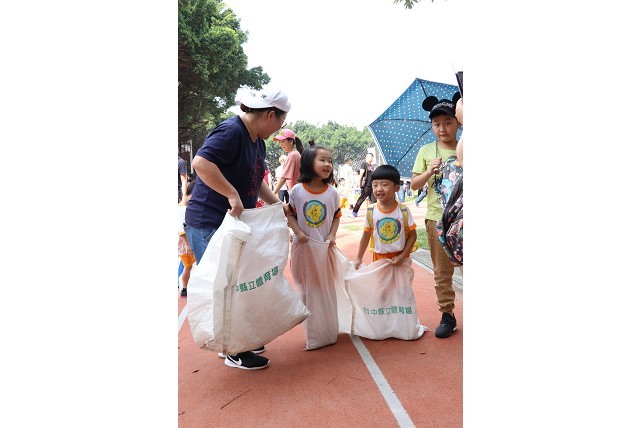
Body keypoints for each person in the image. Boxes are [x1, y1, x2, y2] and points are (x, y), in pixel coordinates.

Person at [184, 87, 289, 370]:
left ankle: (237, 340)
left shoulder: (257, 141)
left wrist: (277, 204)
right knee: (227, 286)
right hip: (209, 221)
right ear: (270, 115)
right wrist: (232, 194)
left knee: (238, 282)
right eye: (281, 121)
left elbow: (256, 179)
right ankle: (234, 350)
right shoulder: (232, 131)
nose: (280, 127)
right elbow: (201, 163)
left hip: (231, 223)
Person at [410, 95, 460, 339]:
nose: (442, 128)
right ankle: (447, 314)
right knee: (442, 271)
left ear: (459, 122)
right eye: (436, 124)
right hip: (436, 218)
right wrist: (430, 170)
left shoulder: (466, 147)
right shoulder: (426, 151)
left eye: (448, 122)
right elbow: (414, 185)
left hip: (464, 219)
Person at [286, 144, 341, 348]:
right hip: (303, 249)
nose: (327, 164)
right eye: (322, 160)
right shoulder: (297, 191)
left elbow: (336, 216)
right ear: (309, 163)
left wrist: (332, 235)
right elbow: (290, 214)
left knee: (324, 288)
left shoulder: (332, 193)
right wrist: (298, 232)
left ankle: (325, 331)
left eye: (330, 161)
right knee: (306, 289)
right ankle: (313, 334)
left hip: (324, 250)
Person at [353, 165, 417, 269]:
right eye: (375, 185)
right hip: (379, 259)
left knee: (401, 281)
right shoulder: (371, 210)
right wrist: (358, 259)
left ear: (396, 188)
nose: (379, 189)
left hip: (401, 259)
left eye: (384, 185)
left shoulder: (403, 211)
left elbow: (413, 236)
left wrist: (402, 256)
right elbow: (366, 235)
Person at [272, 129, 304, 198]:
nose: (281, 144)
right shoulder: (297, 154)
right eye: (279, 142)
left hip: (297, 194)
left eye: (283, 141)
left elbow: (283, 178)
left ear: (291, 142)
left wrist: (273, 193)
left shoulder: (292, 155)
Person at [178, 181, 196, 298]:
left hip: (186, 244)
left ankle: (185, 287)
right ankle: (184, 289)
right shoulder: (182, 209)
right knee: (188, 266)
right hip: (185, 245)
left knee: (189, 266)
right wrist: (188, 245)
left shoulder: (183, 207)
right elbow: (181, 229)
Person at [350, 152, 375, 217]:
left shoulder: (371, 166)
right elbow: (361, 174)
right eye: (369, 156)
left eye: (372, 157)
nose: (371, 158)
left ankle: (375, 213)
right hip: (366, 185)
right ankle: (354, 212)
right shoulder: (364, 164)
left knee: (374, 200)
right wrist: (360, 183)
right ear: (366, 157)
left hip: (372, 185)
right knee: (361, 198)